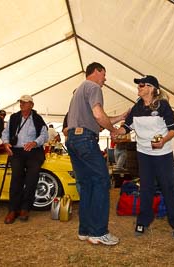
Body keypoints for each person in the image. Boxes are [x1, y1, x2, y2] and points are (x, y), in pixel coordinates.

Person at [114, 75, 174, 237]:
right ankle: (143, 221)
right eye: (138, 86)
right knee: (146, 188)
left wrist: (163, 141)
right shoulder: (136, 107)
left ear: (151, 88)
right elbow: (126, 128)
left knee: (168, 187)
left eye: (142, 85)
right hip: (143, 154)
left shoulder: (163, 106)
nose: (139, 88)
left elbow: (173, 129)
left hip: (162, 154)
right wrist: (116, 133)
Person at [65, 62, 127, 246]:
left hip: (74, 140)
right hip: (86, 140)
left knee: (87, 185)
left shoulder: (79, 91)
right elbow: (99, 115)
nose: (105, 79)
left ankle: (85, 230)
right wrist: (114, 131)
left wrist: (122, 116)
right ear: (97, 71)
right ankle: (99, 232)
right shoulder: (93, 87)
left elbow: (97, 120)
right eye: (104, 74)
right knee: (101, 182)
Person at [1, 95, 48, 224]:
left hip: (33, 152)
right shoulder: (14, 117)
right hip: (17, 151)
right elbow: (5, 133)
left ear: (31, 105)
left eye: (25, 102)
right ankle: (13, 209)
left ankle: (25, 208)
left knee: (32, 180)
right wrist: (6, 143)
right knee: (16, 179)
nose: (22, 104)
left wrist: (35, 142)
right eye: (21, 102)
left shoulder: (38, 119)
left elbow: (44, 135)